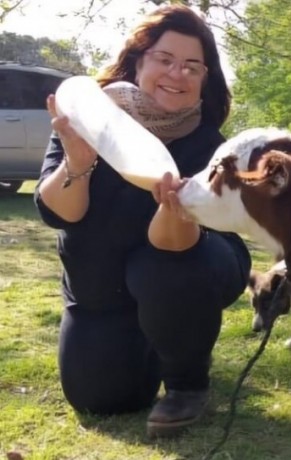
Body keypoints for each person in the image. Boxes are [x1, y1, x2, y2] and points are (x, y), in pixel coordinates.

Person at [33, 5, 251, 438]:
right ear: (138, 60)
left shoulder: (209, 144)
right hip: (102, 289)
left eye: (193, 66)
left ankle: (188, 381)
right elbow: (58, 213)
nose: (178, 73)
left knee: (159, 267)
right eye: (165, 59)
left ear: (205, 79)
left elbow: (174, 246)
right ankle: (159, 340)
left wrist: (175, 209)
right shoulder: (86, 119)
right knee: (105, 400)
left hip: (190, 263)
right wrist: (79, 163)